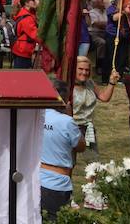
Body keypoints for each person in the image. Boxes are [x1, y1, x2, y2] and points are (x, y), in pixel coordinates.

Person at [39, 79, 84, 221]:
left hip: (36, 178)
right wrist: (70, 116)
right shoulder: (67, 122)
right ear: (64, 99)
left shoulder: (37, 115)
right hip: (57, 184)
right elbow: (81, 146)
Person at [73, 56, 120, 158]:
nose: (84, 72)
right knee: (68, 163)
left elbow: (104, 97)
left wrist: (111, 82)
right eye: (80, 69)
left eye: (87, 70)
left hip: (87, 128)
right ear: (73, 69)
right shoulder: (68, 85)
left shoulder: (90, 83)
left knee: (93, 164)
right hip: (71, 128)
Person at [11, 0, 41, 68]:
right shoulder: (27, 18)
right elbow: (35, 35)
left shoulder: (25, 14)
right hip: (23, 50)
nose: (36, 2)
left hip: (22, 50)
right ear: (26, 3)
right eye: (33, 0)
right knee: (21, 77)